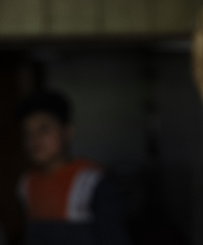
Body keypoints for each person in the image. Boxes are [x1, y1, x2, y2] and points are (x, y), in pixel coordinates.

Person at [16, 90, 131, 245]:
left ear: (67, 131)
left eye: (43, 129)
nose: (34, 139)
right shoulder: (26, 184)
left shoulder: (92, 182)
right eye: (28, 133)